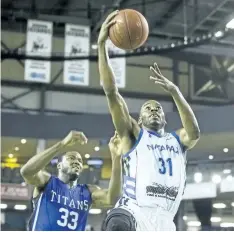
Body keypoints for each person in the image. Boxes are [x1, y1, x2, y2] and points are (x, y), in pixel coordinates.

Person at [98, 11, 200, 231]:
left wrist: (175, 92)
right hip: (134, 210)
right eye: (148, 109)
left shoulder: (178, 140)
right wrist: (101, 47)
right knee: (117, 223)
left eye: (158, 109)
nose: (154, 110)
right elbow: (111, 92)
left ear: (164, 118)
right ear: (139, 120)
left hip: (165, 220)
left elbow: (194, 133)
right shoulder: (134, 134)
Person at [21, 130, 122, 231]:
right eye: (71, 158)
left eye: (80, 161)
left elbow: (112, 199)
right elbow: (26, 172)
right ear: (59, 165)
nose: (77, 162)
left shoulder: (88, 191)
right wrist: (62, 144)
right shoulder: (47, 182)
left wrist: (116, 157)